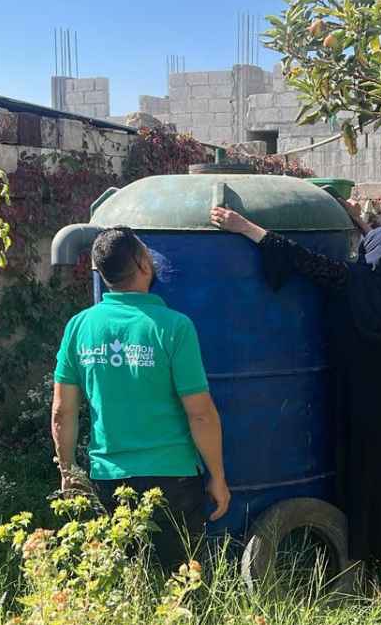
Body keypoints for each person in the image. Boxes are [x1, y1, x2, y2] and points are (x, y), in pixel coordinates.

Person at [210, 201, 381, 587]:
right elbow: (379, 244)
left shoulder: (350, 280)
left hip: (367, 398)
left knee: (367, 478)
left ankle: (378, 570)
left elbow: (303, 260)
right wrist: (360, 219)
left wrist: (245, 227)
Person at [52, 226, 230, 572]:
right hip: (172, 478)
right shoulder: (173, 327)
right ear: (143, 263)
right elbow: (201, 414)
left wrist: (68, 470)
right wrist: (218, 476)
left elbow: (63, 411)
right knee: (183, 585)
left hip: (108, 478)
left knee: (124, 581)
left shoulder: (79, 327)